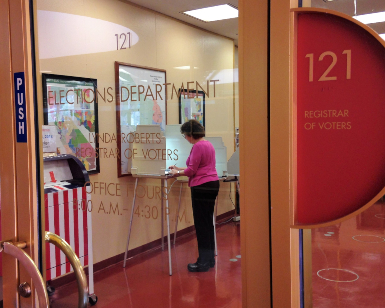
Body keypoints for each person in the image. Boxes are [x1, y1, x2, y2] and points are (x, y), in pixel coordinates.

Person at [169, 120, 219, 272]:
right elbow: (199, 166)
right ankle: (209, 259)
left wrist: (176, 173)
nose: (185, 138)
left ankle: (203, 262)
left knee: (201, 225)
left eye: (185, 135)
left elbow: (192, 171)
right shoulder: (208, 144)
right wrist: (179, 168)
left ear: (191, 134)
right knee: (207, 223)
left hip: (201, 186)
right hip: (212, 184)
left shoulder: (197, 146)